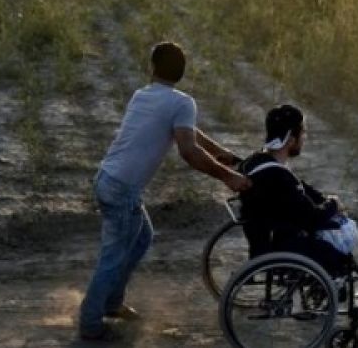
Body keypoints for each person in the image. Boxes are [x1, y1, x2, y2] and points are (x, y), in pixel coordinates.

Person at [78, 41, 251, 341]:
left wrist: (224, 154)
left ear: (152, 68)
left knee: (141, 237)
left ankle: (111, 303)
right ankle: (91, 323)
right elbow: (188, 150)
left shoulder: (144, 95)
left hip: (109, 180)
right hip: (122, 189)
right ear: (183, 72)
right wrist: (228, 177)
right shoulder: (182, 102)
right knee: (114, 256)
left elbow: (189, 133)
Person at [237, 104, 350, 276]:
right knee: (343, 259)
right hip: (285, 249)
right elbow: (312, 218)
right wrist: (333, 204)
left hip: (264, 242)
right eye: (303, 133)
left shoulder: (255, 162)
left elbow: (298, 187)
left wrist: (322, 199)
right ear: (291, 140)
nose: (305, 138)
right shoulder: (278, 177)